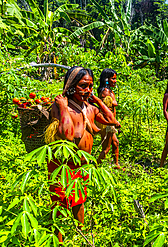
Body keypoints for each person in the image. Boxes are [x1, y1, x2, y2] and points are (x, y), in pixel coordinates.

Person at [49, 66, 119, 242]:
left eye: (90, 86)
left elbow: (112, 121)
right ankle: (59, 240)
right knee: (61, 203)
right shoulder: (60, 106)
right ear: (71, 85)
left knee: (80, 201)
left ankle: (80, 236)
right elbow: (67, 135)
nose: (87, 90)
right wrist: (64, 108)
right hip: (63, 166)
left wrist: (97, 100)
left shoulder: (89, 108)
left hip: (83, 165)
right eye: (83, 86)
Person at [95, 68, 122, 170]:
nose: (115, 81)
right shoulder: (105, 92)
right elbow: (106, 109)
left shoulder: (109, 91)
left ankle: (116, 165)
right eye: (113, 79)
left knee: (115, 143)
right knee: (106, 148)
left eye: (115, 79)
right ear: (106, 79)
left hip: (110, 123)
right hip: (107, 123)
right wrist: (114, 122)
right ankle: (95, 167)